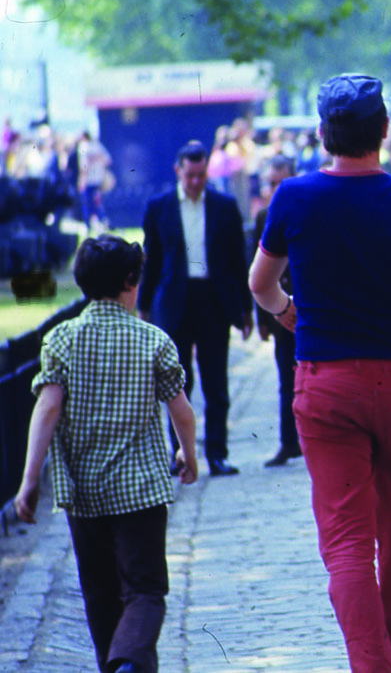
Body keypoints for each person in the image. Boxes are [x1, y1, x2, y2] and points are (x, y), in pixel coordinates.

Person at [249, 73, 391, 673]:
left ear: (324, 133)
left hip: (326, 386)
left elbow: (260, 283)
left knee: (348, 546)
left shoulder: (293, 198)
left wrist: (289, 313)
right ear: (382, 131)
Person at [15, 235, 199, 673]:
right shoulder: (152, 340)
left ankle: (114, 665)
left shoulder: (61, 340)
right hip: (141, 492)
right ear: (131, 280)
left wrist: (30, 479)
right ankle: (130, 662)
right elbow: (181, 410)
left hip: (85, 491)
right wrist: (188, 454)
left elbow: (48, 407)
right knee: (146, 590)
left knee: (99, 592)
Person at [138, 140, 254, 477]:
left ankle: (217, 454)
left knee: (216, 381)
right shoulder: (159, 207)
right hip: (174, 300)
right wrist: (144, 306)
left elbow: (237, 262)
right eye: (190, 175)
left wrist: (245, 310)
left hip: (213, 299)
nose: (195, 182)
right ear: (178, 171)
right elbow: (152, 260)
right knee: (176, 382)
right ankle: (180, 454)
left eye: (201, 175)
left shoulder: (224, 206)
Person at [253, 154, 301, 468]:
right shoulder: (263, 217)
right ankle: (288, 441)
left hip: (307, 307)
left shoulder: (307, 209)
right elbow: (257, 272)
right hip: (279, 310)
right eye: (270, 183)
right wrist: (263, 317)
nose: (275, 189)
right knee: (286, 379)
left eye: (280, 182)